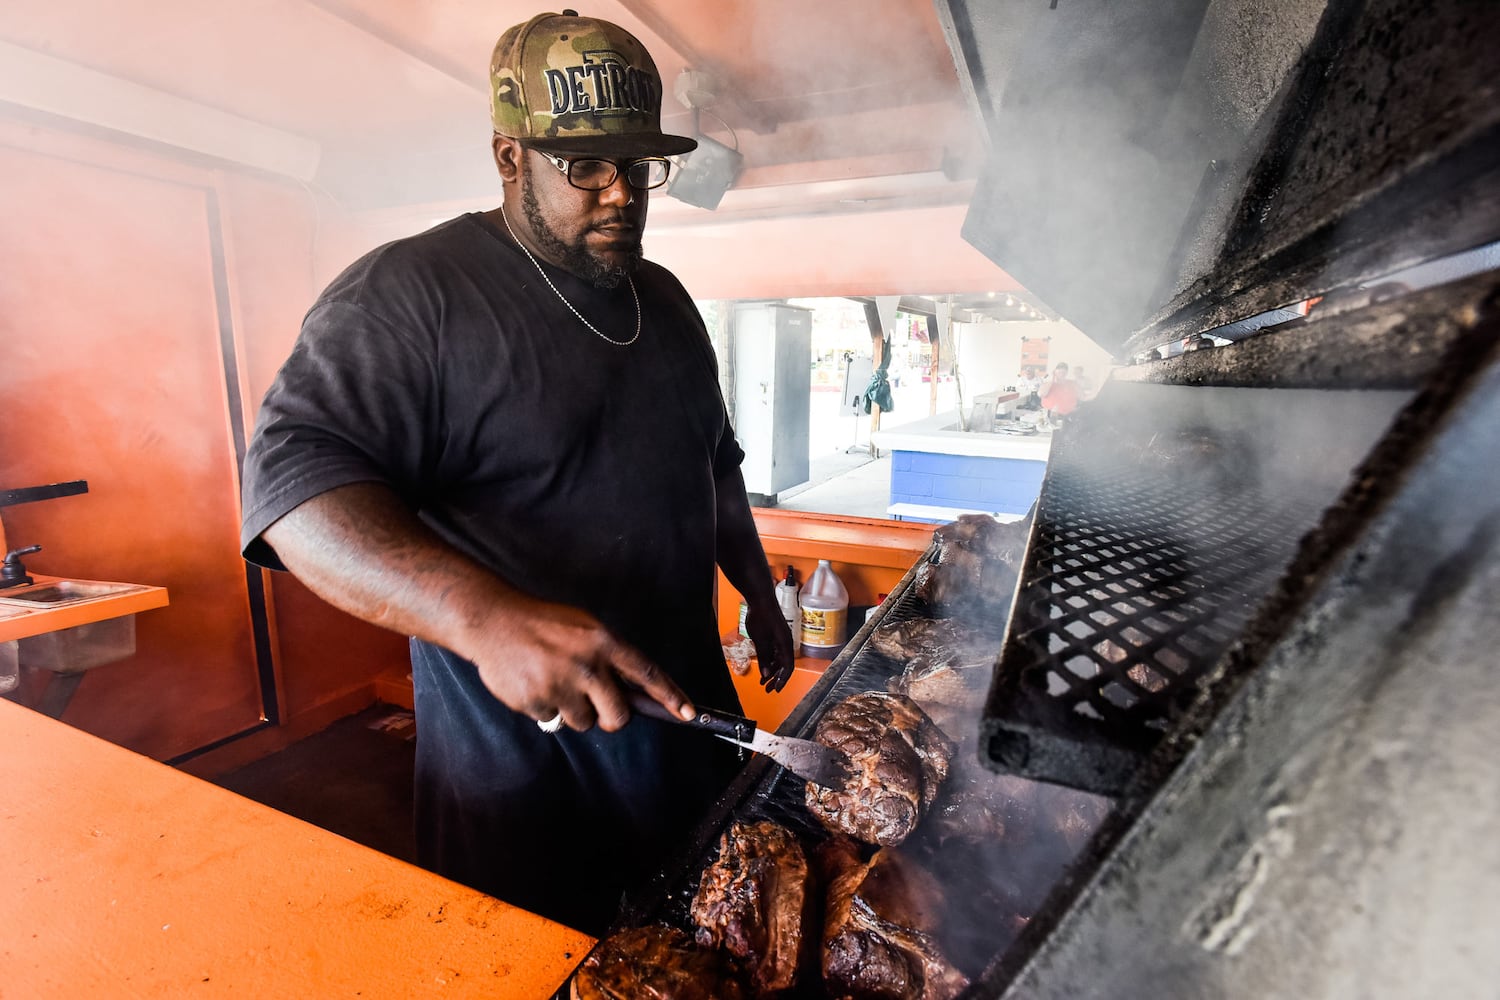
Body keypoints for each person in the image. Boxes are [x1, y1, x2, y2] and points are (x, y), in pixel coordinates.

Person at [238, 9, 794, 935]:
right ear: (509, 157)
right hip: (528, 782)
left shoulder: (662, 296)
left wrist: (757, 588)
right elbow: (295, 487)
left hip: (692, 735)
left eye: (639, 165)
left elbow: (716, 461)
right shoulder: (411, 294)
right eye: (585, 165)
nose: (621, 192)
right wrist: (482, 618)